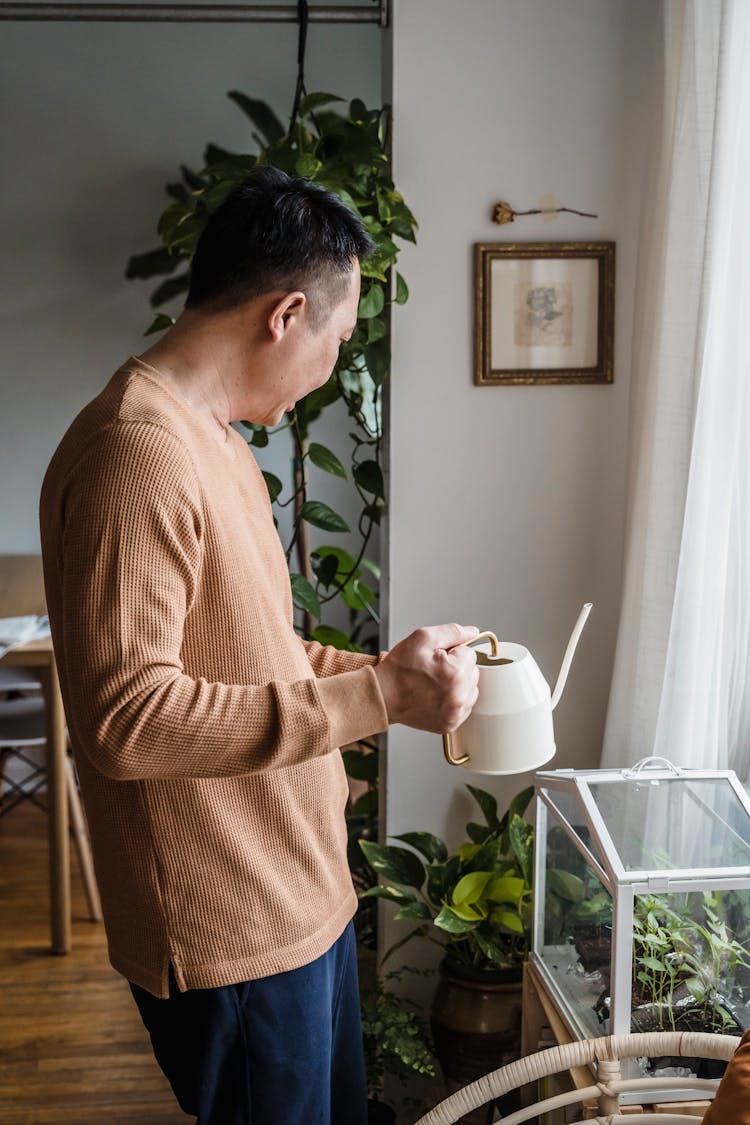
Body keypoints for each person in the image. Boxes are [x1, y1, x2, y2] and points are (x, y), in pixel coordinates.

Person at [39, 166, 480, 1125]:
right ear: (286, 315)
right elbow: (130, 717)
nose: (334, 361)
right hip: (231, 933)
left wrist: (391, 679)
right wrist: (378, 701)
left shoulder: (216, 439)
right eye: (338, 336)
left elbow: (256, 653)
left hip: (298, 896)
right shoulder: (134, 451)